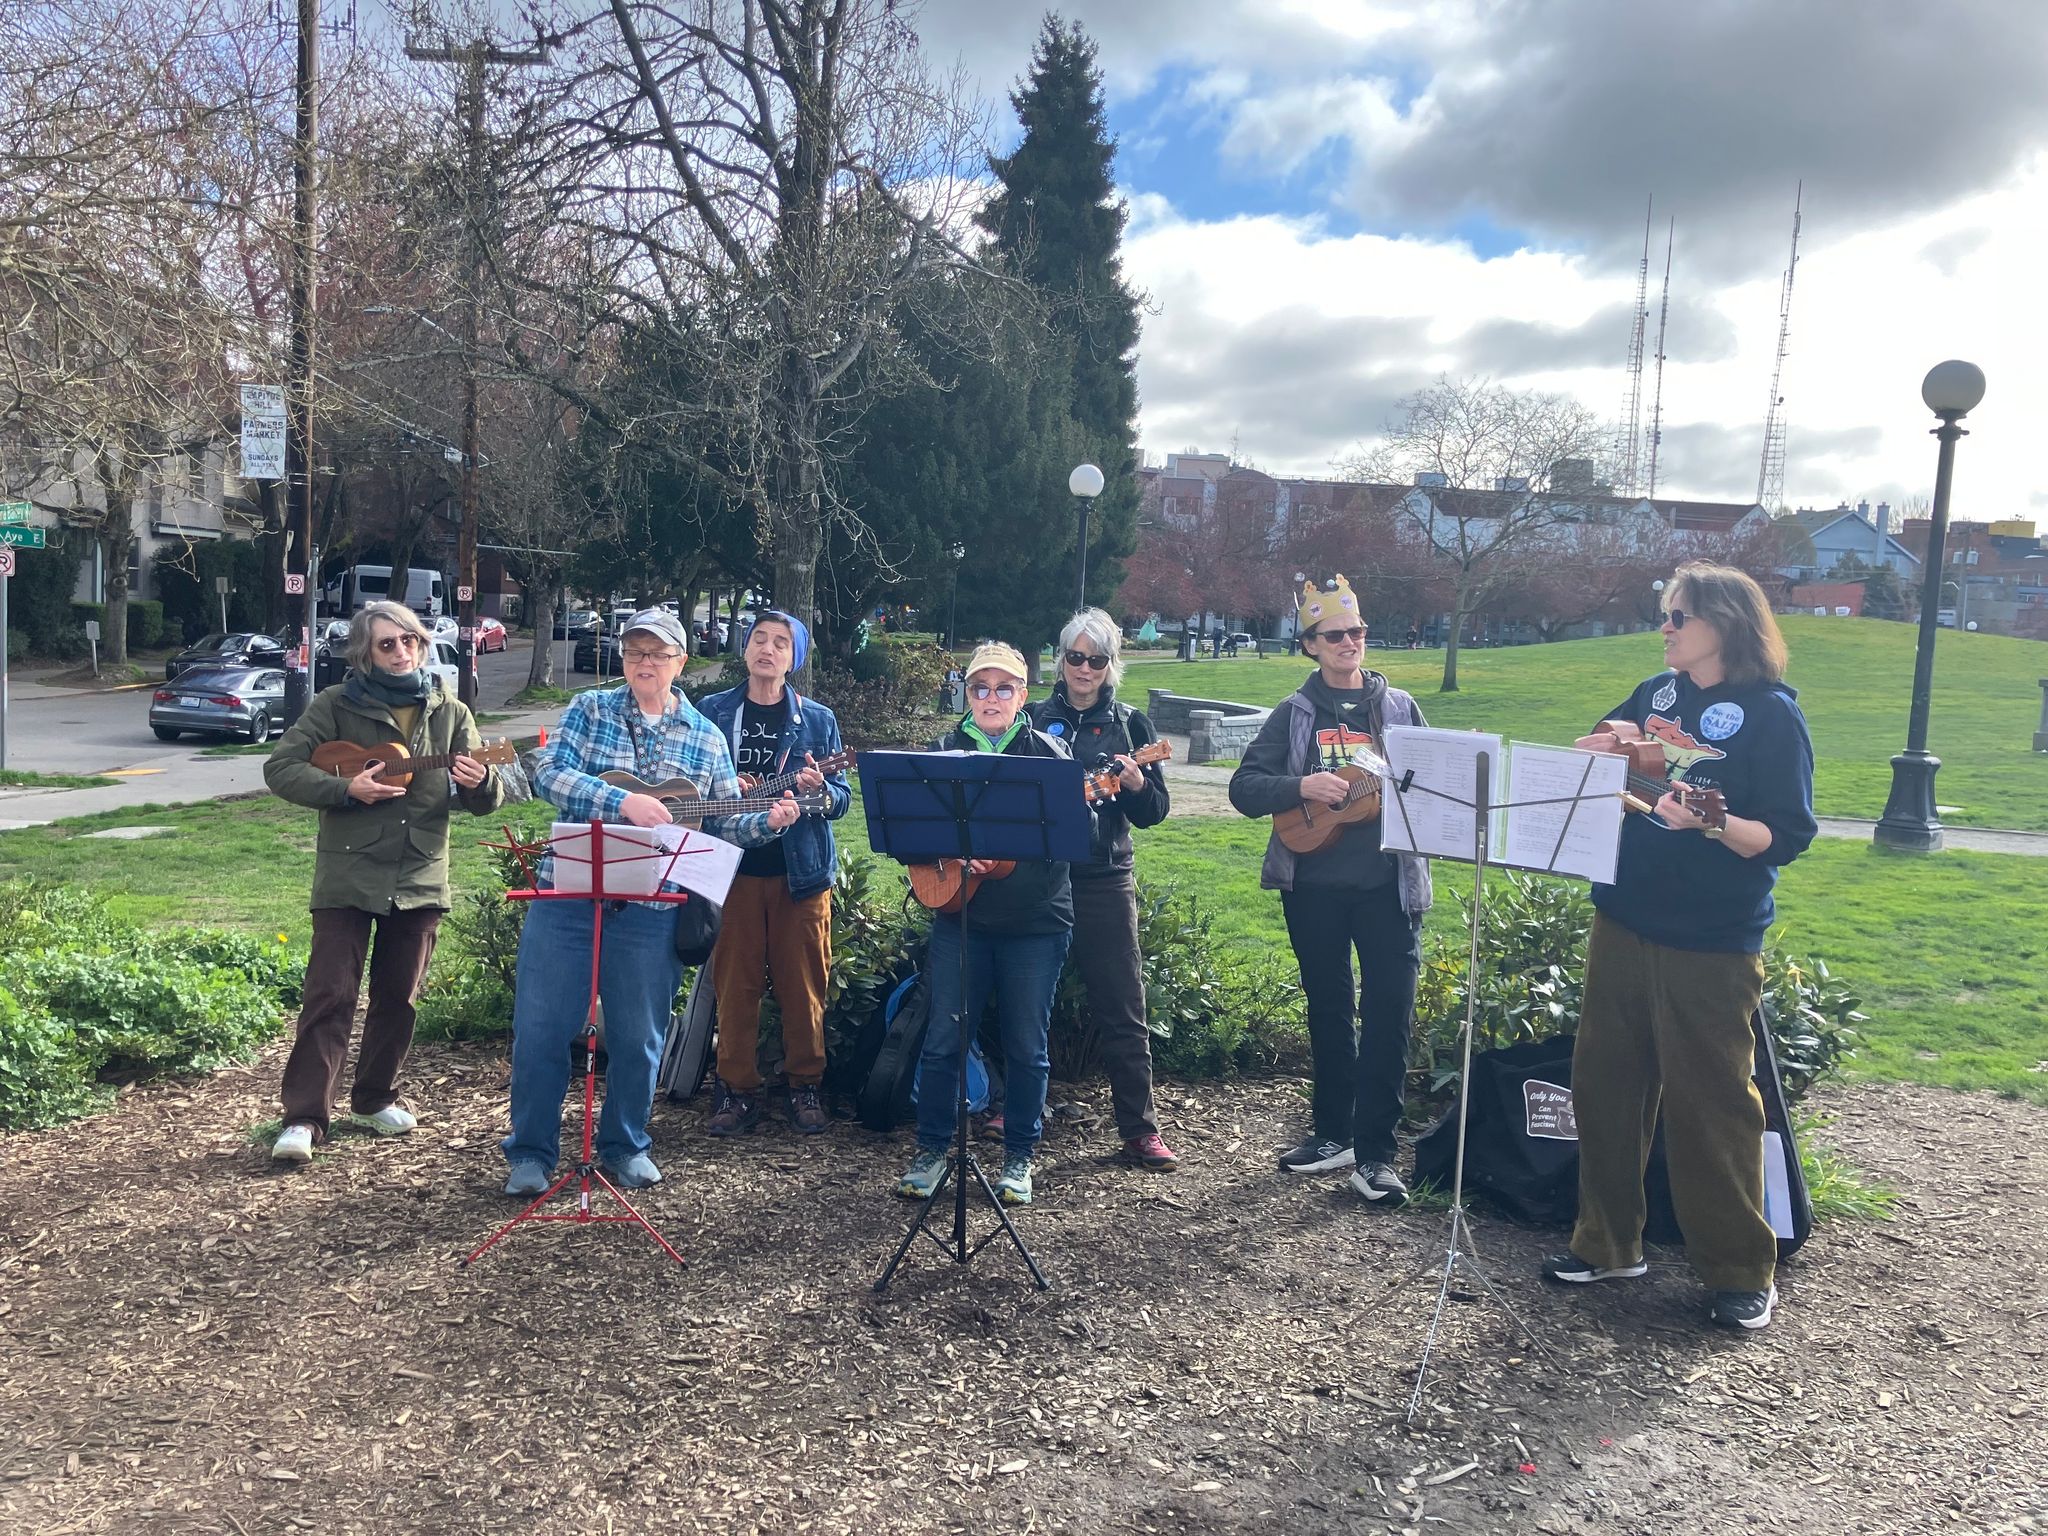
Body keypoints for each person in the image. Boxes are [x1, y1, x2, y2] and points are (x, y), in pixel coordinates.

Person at [1543, 562, 1816, 1332]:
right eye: (1664, 615)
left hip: (1712, 939)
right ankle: (1608, 1244)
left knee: (1712, 1103)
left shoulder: (1770, 716)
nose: (1664, 628)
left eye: (1677, 616)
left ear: (1724, 623)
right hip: (1624, 916)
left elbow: (1783, 838)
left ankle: (1740, 1270)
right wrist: (1613, 743)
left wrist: (1712, 823)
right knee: (1604, 1086)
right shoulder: (1656, 694)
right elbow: (1599, 750)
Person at [501, 609, 799, 1195]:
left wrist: (767, 822)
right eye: (635, 651)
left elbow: (721, 824)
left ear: (679, 664)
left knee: (640, 1038)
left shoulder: (706, 737)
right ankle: (531, 1154)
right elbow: (547, 774)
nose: (644, 663)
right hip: (569, 894)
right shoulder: (590, 710)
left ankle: (626, 1144)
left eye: (657, 655)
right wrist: (619, 803)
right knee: (541, 1029)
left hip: (653, 905)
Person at [263, 601, 504, 1164]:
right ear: (365, 653)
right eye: (387, 644)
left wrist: (480, 778)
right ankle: (304, 1118)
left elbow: (485, 801)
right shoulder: (335, 705)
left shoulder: (451, 711)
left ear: (423, 645)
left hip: (420, 872)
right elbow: (281, 769)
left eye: (410, 642)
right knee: (330, 995)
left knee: (399, 998)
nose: (401, 653)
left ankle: (372, 1099)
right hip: (348, 871)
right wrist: (348, 790)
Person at [1228, 575, 1432, 1206]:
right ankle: (1331, 1135)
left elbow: (1431, 789)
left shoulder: (1399, 710)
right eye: (1335, 635)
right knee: (1329, 1010)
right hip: (1312, 885)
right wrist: (1301, 788)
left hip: (1387, 889)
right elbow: (1244, 788)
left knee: (1389, 1014)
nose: (1350, 642)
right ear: (1311, 644)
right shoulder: (1294, 713)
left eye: (1358, 632)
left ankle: (1375, 1155)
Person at [896, 642, 1082, 1208]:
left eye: (1005, 688)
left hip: (1034, 924)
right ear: (968, 695)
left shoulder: (1050, 756)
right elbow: (906, 832)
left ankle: (1020, 1156)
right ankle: (931, 1150)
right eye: (981, 688)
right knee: (943, 1041)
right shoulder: (941, 753)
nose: (992, 698)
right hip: (961, 916)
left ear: (1023, 695)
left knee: (1028, 1046)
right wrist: (953, 853)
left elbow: (1078, 843)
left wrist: (1009, 854)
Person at [1028, 608, 1177, 1172]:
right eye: (1075, 657)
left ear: (1111, 665)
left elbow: (1156, 812)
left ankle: (1139, 1128)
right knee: (1025, 998)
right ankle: (1016, 1110)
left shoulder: (1133, 725)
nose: (1084, 668)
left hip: (1104, 876)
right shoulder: (1033, 716)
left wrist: (1138, 783)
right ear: (1061, 660)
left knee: (1122, 1003)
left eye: (1096, 659)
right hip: (1041, 875)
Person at [697, 610, 851, 1136]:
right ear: (745, 650)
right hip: (732, 867)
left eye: (780, 643)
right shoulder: (712, 711)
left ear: (794, 658)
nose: (767, 649)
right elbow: (693, 783)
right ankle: (736, 1090)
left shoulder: (817, 720)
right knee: (734, 985)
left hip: (800, 874)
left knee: (804, 984)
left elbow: (841, 800)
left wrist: (819, 793)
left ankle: (805, 1084)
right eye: (759, 639)